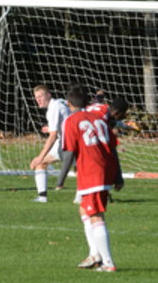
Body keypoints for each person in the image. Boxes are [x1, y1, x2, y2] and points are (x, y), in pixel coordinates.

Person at [58, 84, 124, 272]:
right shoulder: (99, 119)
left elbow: (69, 153)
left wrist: (60, 179)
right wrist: (118, 176)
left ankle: (108, 263)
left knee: (95, 215)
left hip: (91, 172)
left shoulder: (71, 121)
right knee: (84, 209)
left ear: (69, 103)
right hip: (104, 169)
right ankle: (94, 254)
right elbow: (113, 149)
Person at [30, 84, 70, 202]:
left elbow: (53, 137)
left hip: (67, 143)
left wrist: (40, 157)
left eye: (40, 96)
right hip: (73, 140)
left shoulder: (53, 108)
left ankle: (42, 197)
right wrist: (51, 128)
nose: (38, 100)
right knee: (82, 169)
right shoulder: (61, 102)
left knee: (40, 163)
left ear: (48, 95)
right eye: (36, 97)